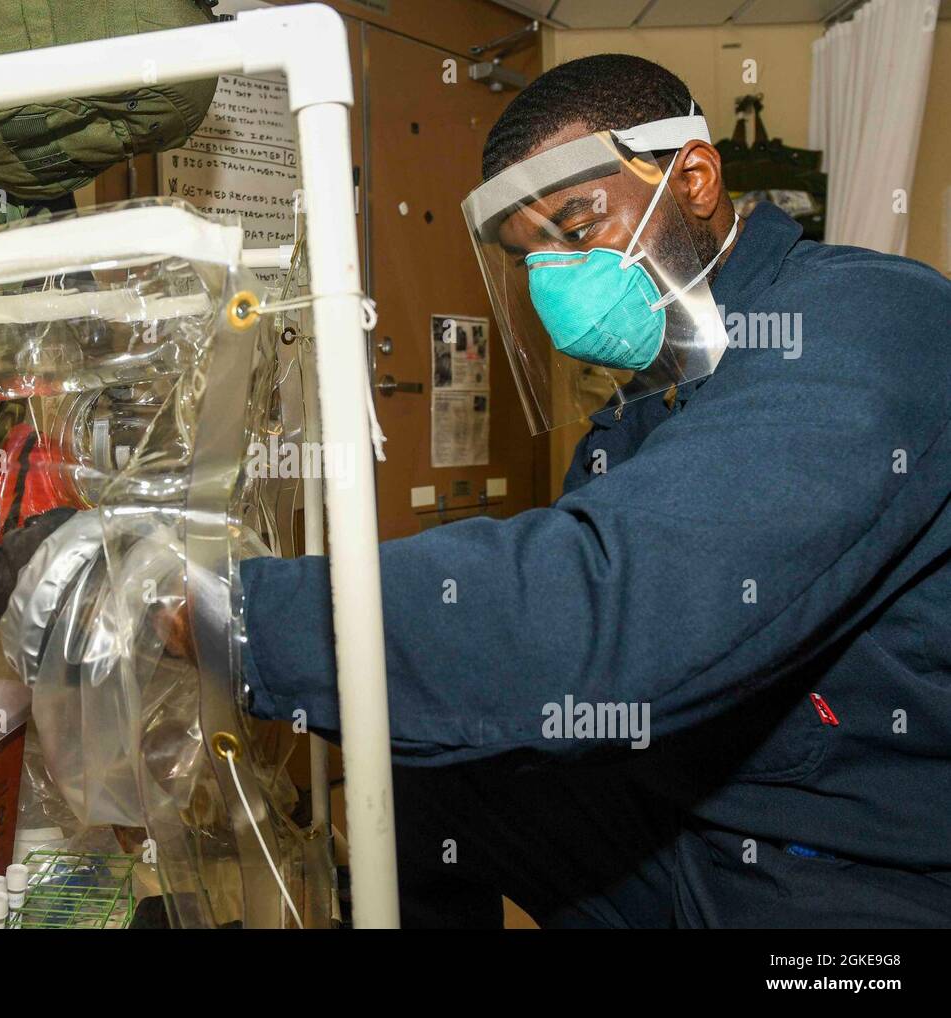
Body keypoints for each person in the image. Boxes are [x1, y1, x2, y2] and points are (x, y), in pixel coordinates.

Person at [235, 54, 951, 927]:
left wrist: (231, 616)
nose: (554, 281)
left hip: (867, 872)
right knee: (433, 738)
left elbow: (609, 605)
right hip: (688, 825)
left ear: (691, 177)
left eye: (577, 230)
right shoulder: (645, 407)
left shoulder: (869, 323)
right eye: (527, 258)